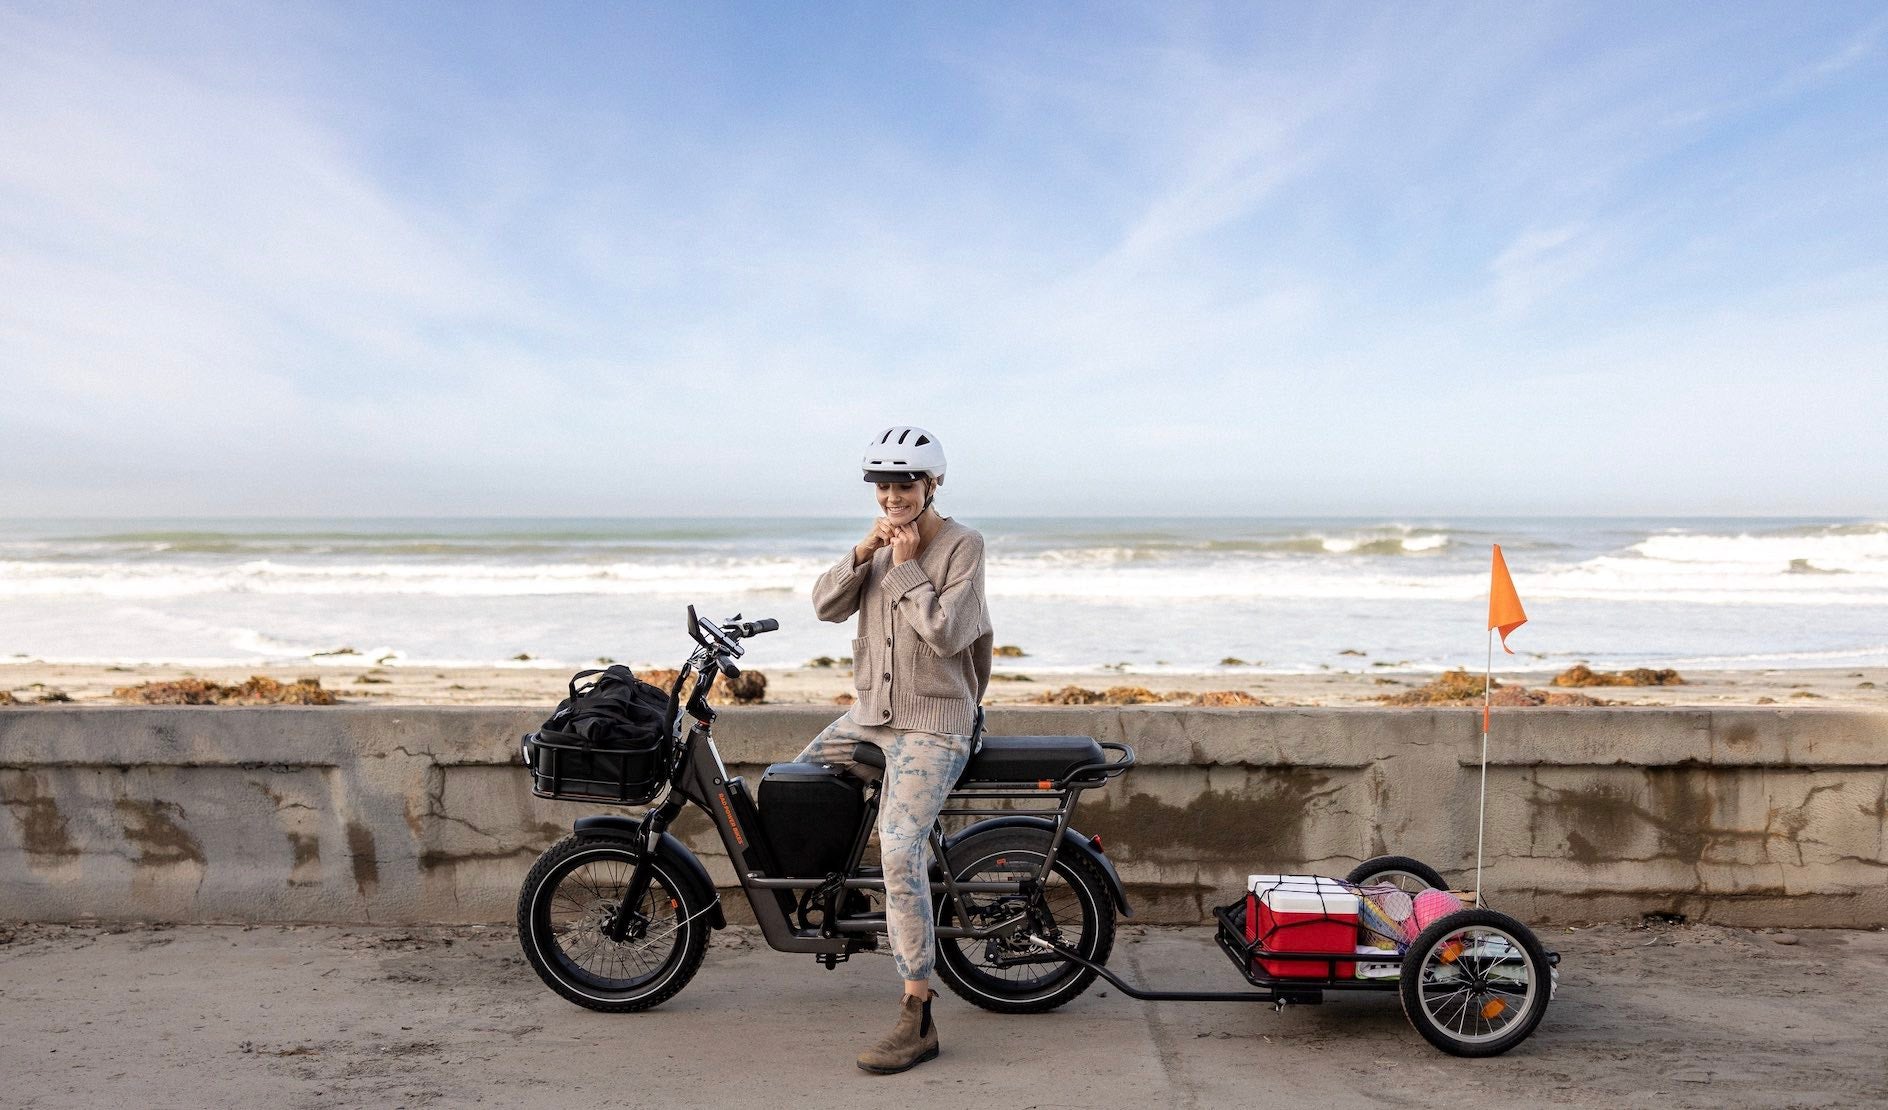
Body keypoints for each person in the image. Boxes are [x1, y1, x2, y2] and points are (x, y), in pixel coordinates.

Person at [800, 425, 993, 1075]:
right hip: (871, 717)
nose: (892, 497)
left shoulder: (964, 546)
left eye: (904, 484)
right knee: (800, 783)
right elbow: (826, 607)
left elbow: (945, 634)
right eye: (882, 486)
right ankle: (849, 901)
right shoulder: (878, 544)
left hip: (935, 725)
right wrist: (865, 550)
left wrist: (907, 566)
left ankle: (918, 1012)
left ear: (931, 484)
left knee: (902, 847)